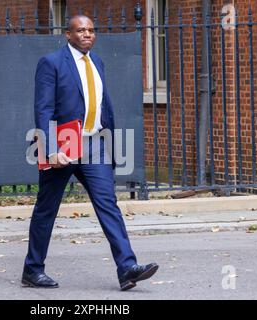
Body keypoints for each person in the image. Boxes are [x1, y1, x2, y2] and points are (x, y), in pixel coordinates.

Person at [22, 15, 158, 291]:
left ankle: (127, 268)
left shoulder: (97, 62)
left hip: (95, 144)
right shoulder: (52, 63)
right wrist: (51, 149)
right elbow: (44, 109)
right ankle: (32, 270)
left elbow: (101, 103)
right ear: (68, 35)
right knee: (47, 208)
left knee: (108, 204)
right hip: (64, 143)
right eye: (80, 30)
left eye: (91, 30)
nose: (87, 34)